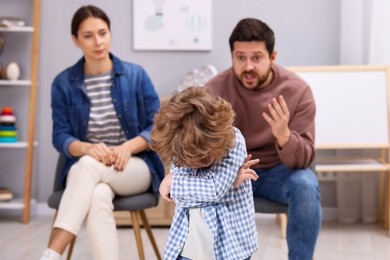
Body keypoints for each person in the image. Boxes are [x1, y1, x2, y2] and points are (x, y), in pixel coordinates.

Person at [40, 5, 164, 260]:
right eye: (88, 35)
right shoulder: (63, 83)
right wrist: (87, 148)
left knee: (86, 166)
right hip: (90, 169)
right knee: (97, 195)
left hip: (134, 167)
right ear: (75, 40)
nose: (98, 42)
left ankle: (51, 254)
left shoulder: (135, 75)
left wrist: (126, 148)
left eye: (103, 33)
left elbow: (159, 127)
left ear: (109, 33)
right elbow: (60, 136)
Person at [204, 18, 322, 260]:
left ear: (273, 56)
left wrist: (284, 136)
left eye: (256, 58)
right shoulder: (214, 91)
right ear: (232, 56)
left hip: (278, 172)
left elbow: (305, 157)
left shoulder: (298, 91)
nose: (248, 66)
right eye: (240, 57)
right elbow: (198, 147)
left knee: (306, 185)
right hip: (231, 172)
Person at [150, 86, 259, 260]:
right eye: (192, 161)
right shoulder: (180, 143)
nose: (199, 164)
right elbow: (177, 197)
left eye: (206, 157)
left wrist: (173, 181)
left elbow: (215, 189)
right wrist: (231, 182)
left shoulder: (234, 139)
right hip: (188, 242)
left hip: (230, 246)